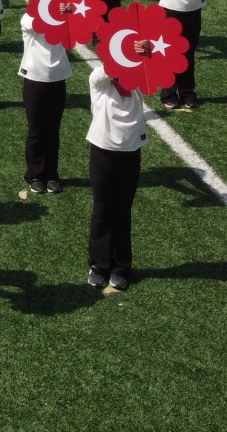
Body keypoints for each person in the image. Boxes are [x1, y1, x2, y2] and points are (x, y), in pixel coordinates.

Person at [86, 45, 147, 294]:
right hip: (102, 152)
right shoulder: (99, 80)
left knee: (122, 210)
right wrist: (128, 52)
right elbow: (109, 69)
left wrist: (146, 50)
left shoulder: (138, 81)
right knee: (102, 209)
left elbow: (157, 70)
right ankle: (99, 265)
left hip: (131, 152)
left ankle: (121, 267)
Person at [17, 6, 74, 195]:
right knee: (36, 130)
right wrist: (56, 12)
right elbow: (39, 24)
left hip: (58, 79)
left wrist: (70, 11)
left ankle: (51, 174)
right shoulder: (28, 17)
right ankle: (35, 175)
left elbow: (80, 27)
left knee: (53, 130)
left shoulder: (63, 16)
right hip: (34, 79)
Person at [156, 0, 206, 110]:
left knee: (188, 53)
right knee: (170, 53)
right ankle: (168, 94)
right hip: (171, 13)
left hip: (193, 13)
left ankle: (187, 93)